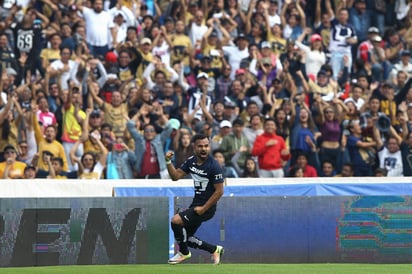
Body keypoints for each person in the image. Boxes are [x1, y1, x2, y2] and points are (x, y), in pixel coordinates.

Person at [165, 134, 224, 265]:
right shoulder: (191, 161)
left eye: (206, 146)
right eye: (200, 146)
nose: (204, 149)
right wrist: (168, 162)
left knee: (175, 221)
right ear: (194, 147)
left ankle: (184, 253)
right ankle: (214, 249)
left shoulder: (214, 166)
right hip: (196, 205)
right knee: (186, 238)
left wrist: (204, 208)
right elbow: (175, 176)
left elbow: (219, 191)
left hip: (207, 208)